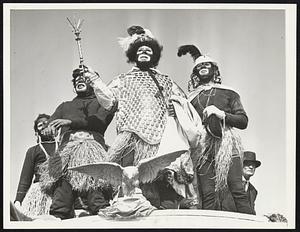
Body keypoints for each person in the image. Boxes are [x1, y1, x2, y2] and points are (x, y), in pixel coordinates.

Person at [85, 25, 197, 209]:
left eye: (148, 49)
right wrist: (95, 81)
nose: (144, 52)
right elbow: (111, 102)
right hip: (131, 138)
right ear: (132, 54)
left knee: (165, 184)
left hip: (162, 139)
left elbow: (184, 103)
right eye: (139, 49)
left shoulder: (167, 81)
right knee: (133, 181)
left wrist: (175, 107)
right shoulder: (122, 79)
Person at [177, 44, 254, 214]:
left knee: (237, 188)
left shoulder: (228, 92)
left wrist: (221, 114)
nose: (203, 68)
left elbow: (243, 121)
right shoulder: (190, 99)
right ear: (195, 73)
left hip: (227, 142)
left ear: (215, 70)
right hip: (202, 146)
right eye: (199, 66)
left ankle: (252, 223)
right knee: (207, 193)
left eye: (206, 65)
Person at [39, 68, 115, 219]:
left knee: (97, 200)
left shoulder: (104, 102)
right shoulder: (64, 106)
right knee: (60, 203)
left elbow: (99, 122)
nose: (80, 80)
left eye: (85, 78)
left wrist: (70, 122)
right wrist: (48, 130)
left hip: (93, 155)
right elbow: (50, 125)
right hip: (67, 155)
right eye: (77, 79)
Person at [14, 114, 56, 217]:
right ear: (37, 133)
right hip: (39, 195)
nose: (44, 126)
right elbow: (25, 178)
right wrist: (18, 200)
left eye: (47, 123)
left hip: (61, 193)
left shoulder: (64, 146)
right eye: (40, 125)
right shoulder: (32, 151)